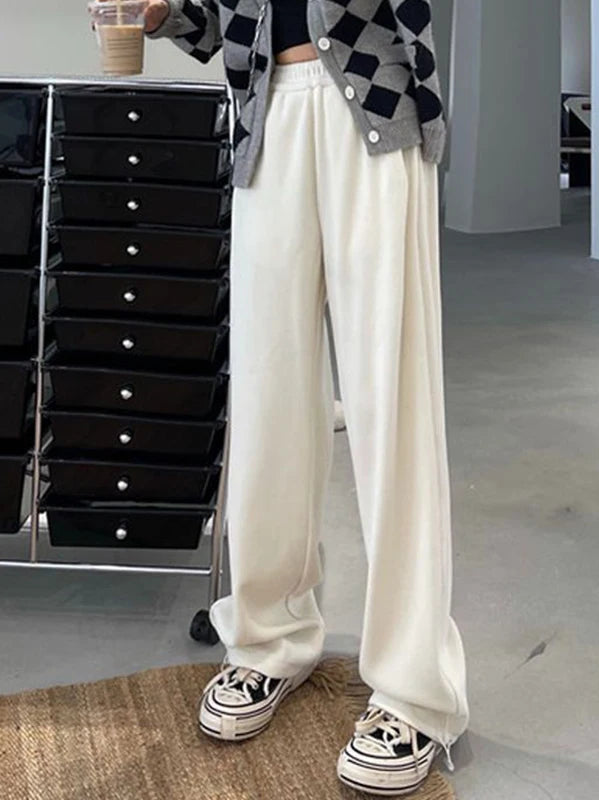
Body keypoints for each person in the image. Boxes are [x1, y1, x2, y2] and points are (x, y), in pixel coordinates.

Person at [144, 0, 470, 794]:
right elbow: (222, 23)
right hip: (268, 119)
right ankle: (269, 637)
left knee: (391, 404)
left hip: (373, 112)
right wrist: (165, 14)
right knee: (268, 397)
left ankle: (415, 691)